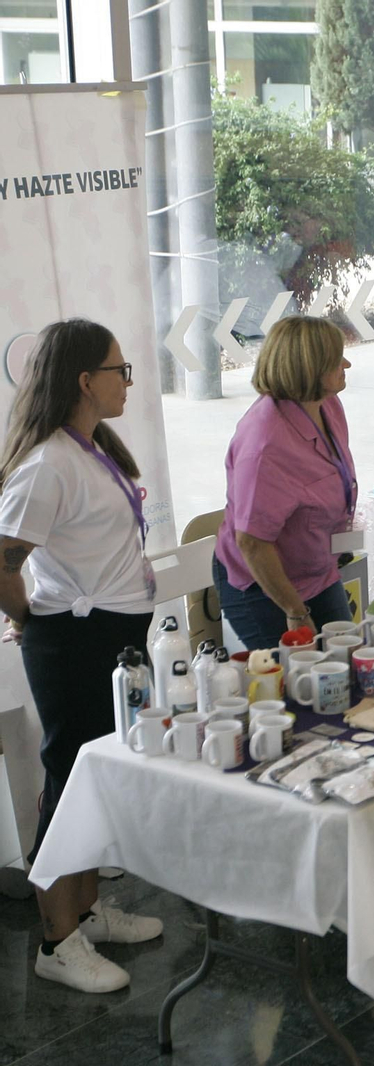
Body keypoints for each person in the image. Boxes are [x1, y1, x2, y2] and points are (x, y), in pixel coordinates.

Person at [0, 319, 164, 993]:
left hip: (108, 635)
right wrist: (30, 619)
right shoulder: (46, 465)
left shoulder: (91, 449)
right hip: (73, 641)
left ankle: (88, 911)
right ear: (84, 381)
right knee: (69, 781)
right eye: (119, 370)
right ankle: (56, 940)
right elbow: (3, 560)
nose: (128, 382)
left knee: (100, 776)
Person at [213, 316, 358, 649]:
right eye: (337, 359)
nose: (347, 364)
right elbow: (252, 542)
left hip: (316, 570)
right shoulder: (265, 444)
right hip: (263, 583)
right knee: (296, 675)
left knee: (346, 660)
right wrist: (295, 611)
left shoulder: (327, 404)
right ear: (310, 368)